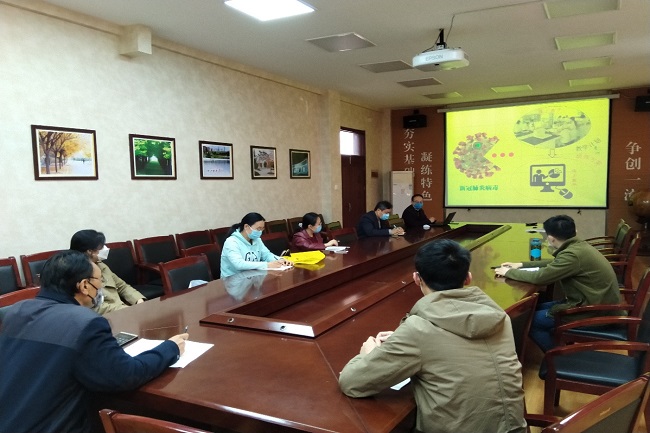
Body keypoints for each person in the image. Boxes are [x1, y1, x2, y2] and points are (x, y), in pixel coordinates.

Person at [339, 239, 526, 433]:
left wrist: (368, 354)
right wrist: (404, 340)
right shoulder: (498, 316)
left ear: (416, 279)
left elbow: (351, 382)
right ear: (468, 278)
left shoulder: (418, 330)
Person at [0, 250, 188, 433]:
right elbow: (126, 375)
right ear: (84, 286)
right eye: (99, 281)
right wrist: (170, 348)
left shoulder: (16, 311)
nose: (101, 288)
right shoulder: (85, 322)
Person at [494, 215, 623, 352]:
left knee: (529, 321)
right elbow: (556, 263)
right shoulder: (578, 247)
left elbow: (540, 278)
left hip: (593, 311)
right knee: (532, 309)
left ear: (550, 238)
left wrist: (508, 272)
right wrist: (520, 265)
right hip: (593, 302)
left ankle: (559, 356)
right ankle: (559, 347)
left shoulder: (572, 255)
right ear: (575, 231)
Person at [70, 229, 146, 315]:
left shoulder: (100, 265)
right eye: (101, 247)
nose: (105, 249)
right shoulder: (77, 274)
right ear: (90, 251)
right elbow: (94, 307)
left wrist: (138, 300)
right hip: (106, 317)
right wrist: (128, 310)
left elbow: (122, 286)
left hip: (122, 310)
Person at [220, 212, 292, 278]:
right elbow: (239, 264)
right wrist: (267, 265)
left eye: (262, 229)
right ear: (246, 227)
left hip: (252, 278)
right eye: (258, 229)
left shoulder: (257, 240)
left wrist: (280, 260)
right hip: (233, 281)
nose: (260, 232)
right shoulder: (231, 242)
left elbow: (267, 255)